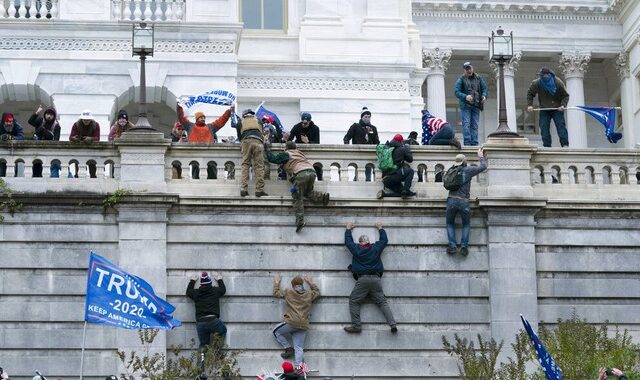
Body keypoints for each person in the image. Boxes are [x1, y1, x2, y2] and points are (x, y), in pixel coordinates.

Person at [343, 222, 397, 334]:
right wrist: (380, 228)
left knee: (354, 301)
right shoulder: (375, 248)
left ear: (360, 242)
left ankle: (356, 326)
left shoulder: (356, 249)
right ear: (368, 242)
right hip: (376, 279)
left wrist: (348, 229)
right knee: (382, 302)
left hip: (362, 280)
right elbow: (384, 241)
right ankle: (392, 324)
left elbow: (348, 242)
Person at [265, 141, 330, 232]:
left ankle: (300, 221)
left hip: (301, 174)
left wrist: (267, 149)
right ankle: (322, 197)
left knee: (297, 196)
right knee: (307, 192)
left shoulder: (287, 154)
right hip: (312, 173)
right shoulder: (300, 154)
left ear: (286, 148)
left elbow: (273, 159)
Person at [272, 274, 320, 369]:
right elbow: (317, 292)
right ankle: (299, 368)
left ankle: (288, 348)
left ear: (293, 285)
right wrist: (311, 283)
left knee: (276, 331)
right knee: (298, 347)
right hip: (303, 325)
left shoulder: (289, 292)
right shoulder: (309, 294)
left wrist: (277, 283)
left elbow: (276, 293)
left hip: (292, 322)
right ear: (302, 284)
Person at [446, 148, 487, 256]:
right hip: (463, 201)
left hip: (451, 200)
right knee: (466, 224)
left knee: (450, 223)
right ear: (464, 162)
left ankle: (452, 246)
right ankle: (464, 247)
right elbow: (483, 167)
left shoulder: (450, 170)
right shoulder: (468, 170)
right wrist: (481, 156)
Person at [526, 67, 570, 147]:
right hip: (544, 109)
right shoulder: (537, 83)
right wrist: (530, 105)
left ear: (549, 75)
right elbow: (530, 94)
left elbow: (565, 95)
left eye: (543, 75)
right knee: (544, 127)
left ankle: (565, 144)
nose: (541, 77)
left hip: (557, 109)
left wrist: (563, 105)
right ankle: (547, 146)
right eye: (540, 75)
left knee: (561, 126)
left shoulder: (558, 82)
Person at [186, 272, 227, 351]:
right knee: (222, 331)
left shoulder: (196, 293)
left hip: (200, 322)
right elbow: (223, 290)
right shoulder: (215, 291)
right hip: (213, 320)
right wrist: (220, 280)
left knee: (203, 345)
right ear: (210, 283)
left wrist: (192, 281)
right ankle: (216, 353)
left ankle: (201, 362)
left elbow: (188, 292)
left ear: (201, 284)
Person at [454, 61, 487, 146]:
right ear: (464, 70)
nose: (469, 70)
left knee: (475, 125)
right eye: (466, 69)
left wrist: (484, 96)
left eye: (470, 68)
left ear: (472, 68)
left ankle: (475, 143)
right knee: (466, 124)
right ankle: (467, 143)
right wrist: (465, 97)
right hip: (466, 105)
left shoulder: (479, 78)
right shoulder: (461, 79)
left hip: (476, 104)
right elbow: (457, 92)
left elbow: (484, 89)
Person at [237, 109, 267, 197]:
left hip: (246, 141)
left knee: (245, 165)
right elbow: (261, 133)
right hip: (258, 142)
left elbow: (239, 136)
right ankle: (259, 190)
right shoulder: (258, 120)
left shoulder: (240, 121)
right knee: (259, 166)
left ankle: (243, 189)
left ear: (244, 115)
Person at [344, 107, 380, 181]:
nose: (368, 118)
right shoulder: (356, 126)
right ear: (362, 117)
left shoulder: (372, 128)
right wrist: (347, 147)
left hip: (369, 154)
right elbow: (347, 137)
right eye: (366, 117)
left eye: (369, 117)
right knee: (359, 173)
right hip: (358, 153)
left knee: (368, 175)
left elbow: (376, 141)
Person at [377, 134, 416, 200]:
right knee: (410, 171)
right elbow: (410, 159)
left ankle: (385, 195)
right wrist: (407, 149)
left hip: (386, 180)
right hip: (394, 176)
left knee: (403, 193)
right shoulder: (402, 149)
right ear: (401, 141)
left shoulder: (386, 149)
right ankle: (406, 189)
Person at [287, 112, 322, 180]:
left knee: (317, 166)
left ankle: (319, 178)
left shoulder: (315, 128)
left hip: (311, 151)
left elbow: (317, 143)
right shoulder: (297, 126)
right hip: (299, 151)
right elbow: (289, 140)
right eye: (302, 122)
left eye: (305, 123)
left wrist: (308, 142)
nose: (303, 124)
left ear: (309, 121)